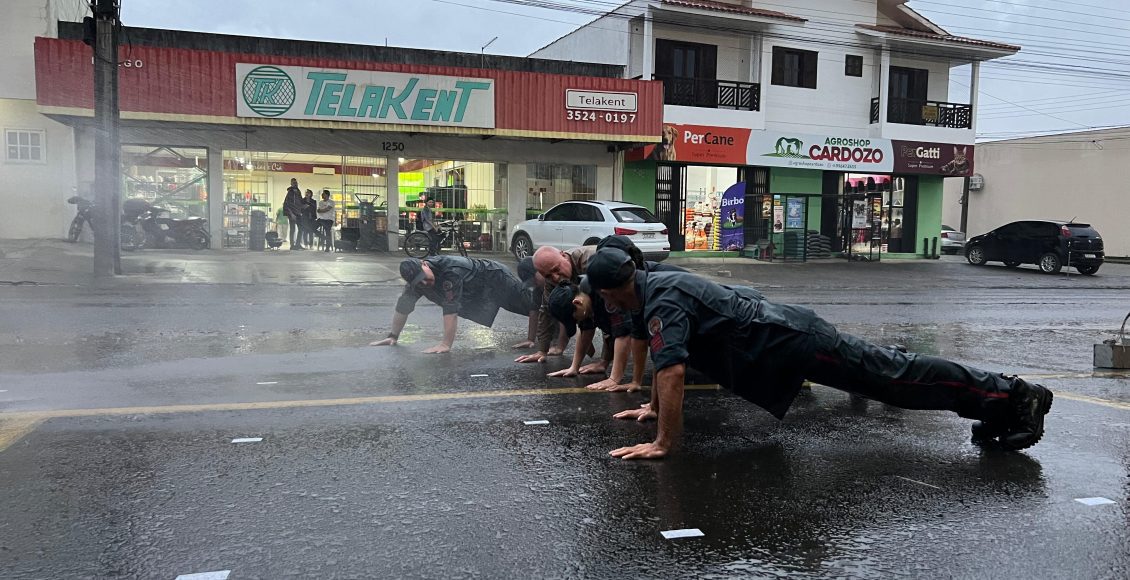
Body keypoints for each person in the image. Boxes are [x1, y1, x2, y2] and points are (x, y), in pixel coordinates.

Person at [583, 248, 1054, 460]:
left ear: (611, 290)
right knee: (892, 375)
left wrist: (665, 442)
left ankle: (1015, 396)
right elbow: (671, 364)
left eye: (604, 298)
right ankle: (998, 405)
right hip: (790, 340)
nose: (607, 307)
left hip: (795, 341)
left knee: (896, 379)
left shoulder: (660, 300)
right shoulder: (659, 285)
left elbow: (673, 369)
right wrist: (652, 406)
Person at [370, 256, 534, 354]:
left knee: (530, 305)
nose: (426, 283)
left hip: (496, 277)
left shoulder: (450, 271)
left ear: (424, 264)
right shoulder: (418, 283)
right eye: (420, 282)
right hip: (476, 290)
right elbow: (403, 307)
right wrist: (393, 336)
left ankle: (553, 324)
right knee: (523, 308)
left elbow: (451, 310)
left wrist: (445, 344)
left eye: (425, 277)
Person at [546, 278, 647, 392]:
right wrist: (574, 367)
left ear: (577, 302)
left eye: (574, 318)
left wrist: (614, 378)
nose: (577, 321)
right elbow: (586, 329)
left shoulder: (606, 291)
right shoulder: (585, 301)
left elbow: (623, 334)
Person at [515, 245, 599, 365]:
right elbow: (546, 311)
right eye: (548, 276)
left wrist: (605, 361)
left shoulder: (591, 261)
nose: (555, 277)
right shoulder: (551, 281)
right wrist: (542, 351)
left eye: (556, 269)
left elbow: (611, 312)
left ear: (563, 255)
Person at [283, 178, 305, 249]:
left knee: (301, 228)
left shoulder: (298, 192)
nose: (295, 184)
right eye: (294, 183)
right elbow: (287, 204)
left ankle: (298, 244)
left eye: (296, 182)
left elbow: (300, 201)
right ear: (291, 184)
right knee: (292, 229)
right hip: (292, 213)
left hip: (298, 213)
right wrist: (291, 214)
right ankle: (292, 245)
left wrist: (303, 207)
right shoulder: (290, 192)